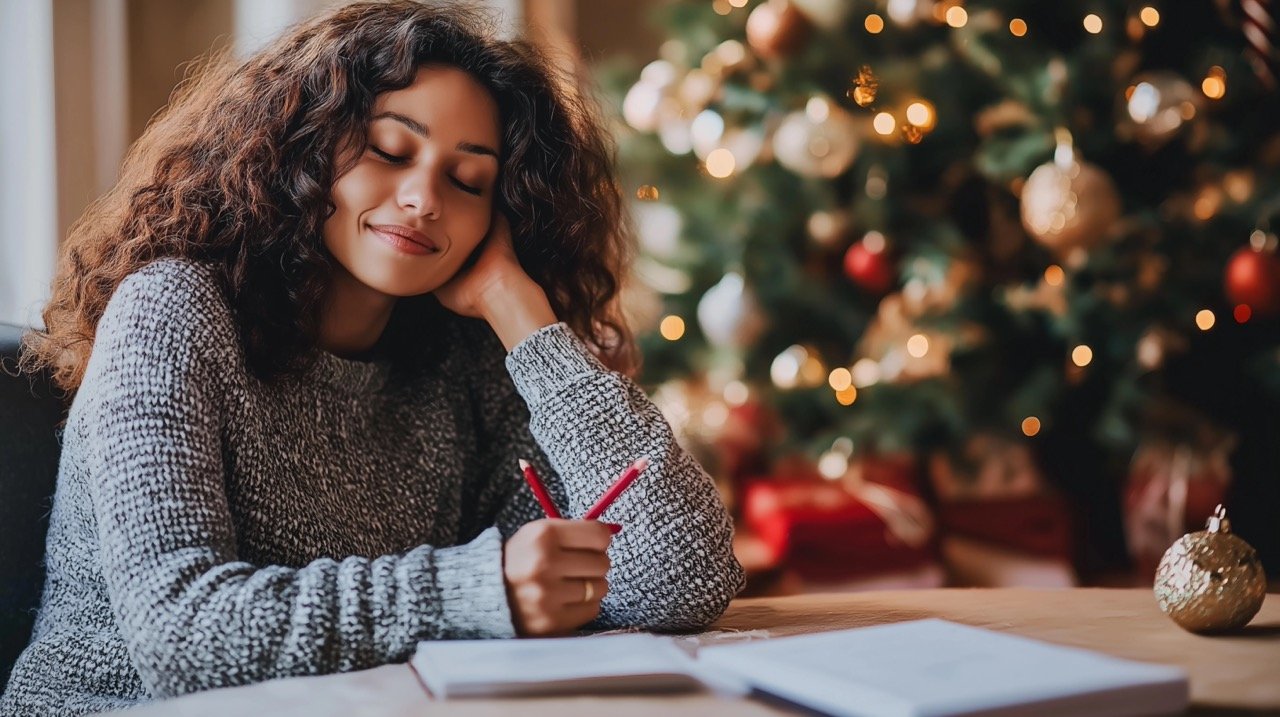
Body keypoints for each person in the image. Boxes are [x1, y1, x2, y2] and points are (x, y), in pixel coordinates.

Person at [0, 3, 744, 714]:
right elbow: (181, 635)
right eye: (391, 150)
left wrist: (524, 317)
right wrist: (477, 591)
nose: (424, 197)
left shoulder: (464, 361)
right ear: (304, 147)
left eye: (468, 180)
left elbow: (679, 577)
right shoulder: (173, 311)